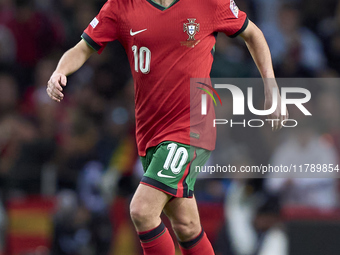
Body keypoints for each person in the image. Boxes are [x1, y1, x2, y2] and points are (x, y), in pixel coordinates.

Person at [47, 0, 286, 254]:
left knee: (142, 210)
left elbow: (253, 34)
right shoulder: (121, 6)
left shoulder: (208, 3)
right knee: (186, 225)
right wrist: (59, 71)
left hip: (191, 128)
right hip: (150, 133)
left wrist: (270, 86)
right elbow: (82, 48)